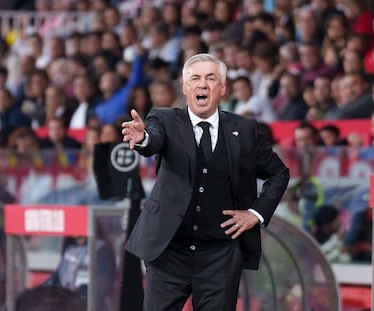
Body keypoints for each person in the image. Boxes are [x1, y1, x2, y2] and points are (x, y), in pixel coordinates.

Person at [121, 53, 290, 310]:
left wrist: (256, 213)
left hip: (219, 256)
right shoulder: (165, 119)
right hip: (168, 251)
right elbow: (153, 139)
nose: (202, 84)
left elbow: (279, 173)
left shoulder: (244, 129)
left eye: (211, 79)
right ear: (185, 87)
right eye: (195, 78)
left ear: (222, 88)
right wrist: (142, 138)